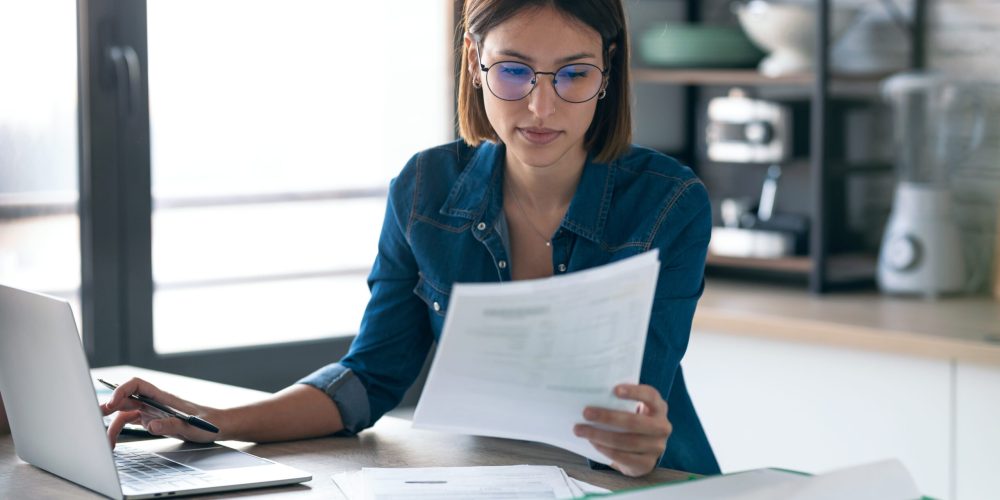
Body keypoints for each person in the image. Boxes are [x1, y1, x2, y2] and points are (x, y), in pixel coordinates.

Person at [102, 0, 720, 477]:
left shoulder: (669, 203)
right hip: (493, 481)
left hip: (649, 481)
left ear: (608, 69)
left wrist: (637, 444)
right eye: (512, 71)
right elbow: (369, 378)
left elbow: (637, 407)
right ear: (474, 60)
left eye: (573, 75)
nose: (540, 107)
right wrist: (213, 422)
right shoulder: (425, 188)